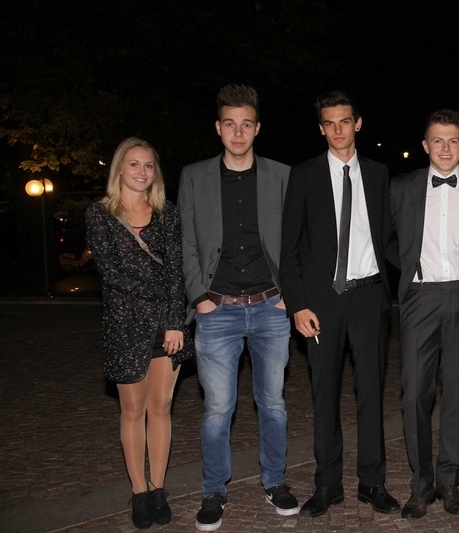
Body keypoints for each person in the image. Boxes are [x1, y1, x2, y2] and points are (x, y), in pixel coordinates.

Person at [178, 84, 298, 531]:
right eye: (230, 124)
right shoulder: (195, 176)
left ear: (258, 128)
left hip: (270, 307)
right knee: (217, 409)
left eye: (246, 124)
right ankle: (214, 489)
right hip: (218, 309)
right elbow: (187, 242)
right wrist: (199, 297)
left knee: (273, 404)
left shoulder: (282, 175)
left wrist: (288, 294)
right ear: (218, 127)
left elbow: (296, 240)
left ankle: (275, 481)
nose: (238, 132)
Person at [280, 90, 400, 517]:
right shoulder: (304, 175)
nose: (337, 130)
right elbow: (289, 249)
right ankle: (327, 485)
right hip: (322, 302)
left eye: (344, 121)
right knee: (324, 395)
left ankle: (372, 483)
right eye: (329, 123)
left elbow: (388, 239)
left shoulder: (379, 174)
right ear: (321, 128)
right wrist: (297, 304)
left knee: (371, 394)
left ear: (358, 123)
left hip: (369, 296)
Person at [390, 109, 459, 518]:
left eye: (453, 140)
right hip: (420, 297)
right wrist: (409, 269)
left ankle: (449, 482)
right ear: (425, 145)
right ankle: (421, 485)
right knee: (415, 392)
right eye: (438, 140)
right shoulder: (401, 187)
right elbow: (383, 238)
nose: (446, 148)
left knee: (456, 393)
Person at [86, 137, 194, 529]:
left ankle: (158, 487)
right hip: (125, 325)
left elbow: (177, 270)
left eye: (148, 165)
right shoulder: (100, 215)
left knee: (161, 407)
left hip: (166, 326)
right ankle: (138, 491)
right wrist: (162, 292)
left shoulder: (167, 213)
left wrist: (174, 321)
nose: (142, 172)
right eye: (134, 164)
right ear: (120, 168)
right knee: (132, 410)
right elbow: (111, 274)